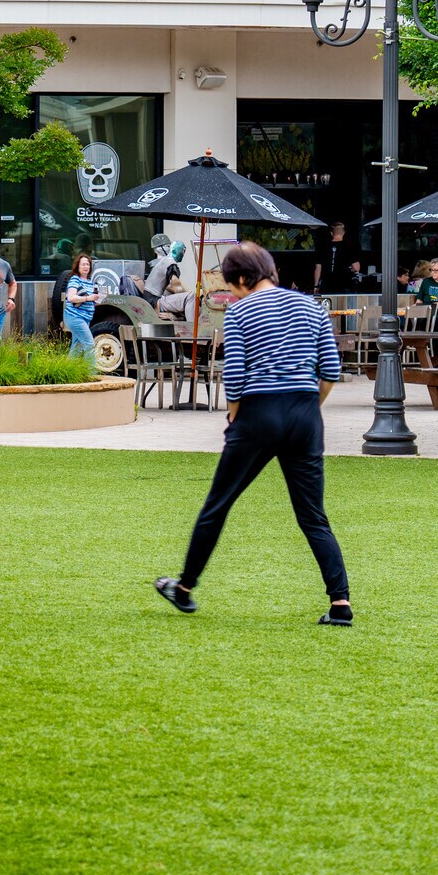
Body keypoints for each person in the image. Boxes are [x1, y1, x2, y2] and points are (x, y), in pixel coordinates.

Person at [153, 242, 351, 625]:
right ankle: (340, 603)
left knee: (218, 505)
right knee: (313, 516)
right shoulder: (312, 307)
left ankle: (184, 588)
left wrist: (234, 420)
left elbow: (237, 376)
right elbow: (329, 370)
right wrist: (308, 410)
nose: (233, 292)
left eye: (233, 285)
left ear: (243, 278)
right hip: (305, 413)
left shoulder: (241, 310)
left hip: (258, 414)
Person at [142, 238, 197, 324]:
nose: (183, 254)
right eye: (183, 251)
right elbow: (177, 288)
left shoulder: (164, 261)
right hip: (156, 302)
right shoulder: (170, 264)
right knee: (191, 297)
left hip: (152, 299)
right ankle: (192, 328)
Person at [62, 253, 100, 360]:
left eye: (87, 264)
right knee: (89, 344)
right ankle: (90, 373)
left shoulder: (90, 282)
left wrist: (96, 300)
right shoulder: (75, 279)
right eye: (83, 264)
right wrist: (88, 298)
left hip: (85, 318)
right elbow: (71, 298)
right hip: (75, 317)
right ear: (77, 267)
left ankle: (68, 372)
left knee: (77, 347)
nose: (85, 267)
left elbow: (89, 299)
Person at [312, 222, 365, 295]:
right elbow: (356, 268)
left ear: (331, 233)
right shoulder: (349, 247)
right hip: (344, 284)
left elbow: (318, 269)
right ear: (344, 232)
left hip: (327, 284)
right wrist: (348, 269)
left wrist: (316, 286)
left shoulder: (323, 247)